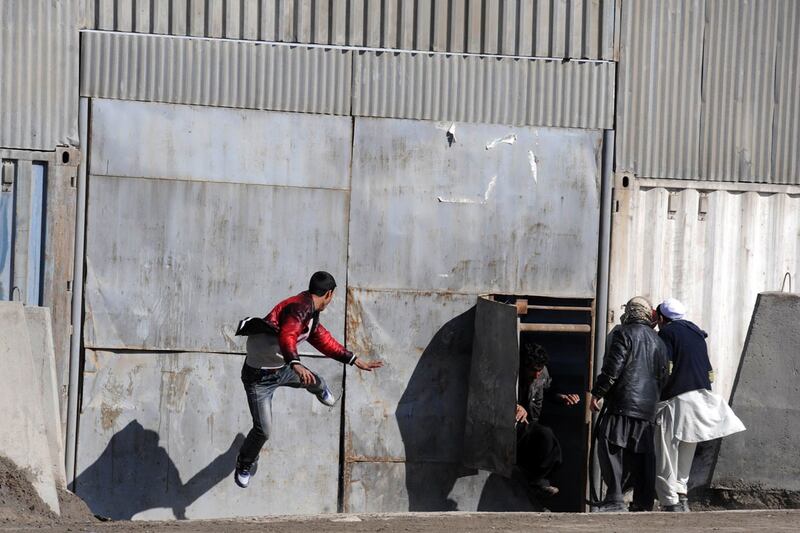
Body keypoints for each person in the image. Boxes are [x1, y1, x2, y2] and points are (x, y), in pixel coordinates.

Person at [232, 271, 383, 488]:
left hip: (282, 369)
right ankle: (244, 462)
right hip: (259, 379)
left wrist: (353, 359)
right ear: (329, 294)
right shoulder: (299, 308)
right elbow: (288, 334)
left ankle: (320, 389)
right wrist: (295, 362)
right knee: (263, 430)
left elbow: (324, 341)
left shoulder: (310, 315)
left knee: (315, 381)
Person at [654, 298, 745, 512]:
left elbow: (665, 368)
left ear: (662, 318)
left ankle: (669, 501)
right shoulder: (697, 334)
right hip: (700, 396)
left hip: (677, 399)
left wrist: (656, 392)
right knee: (687, 447)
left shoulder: (667, 333)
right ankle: (682, 495)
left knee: (667, 451)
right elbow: (709, 372)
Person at [590, 296, 669, 512]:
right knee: (643, 455)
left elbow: (612, 369)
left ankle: (615, 498)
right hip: (648, 409)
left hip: (623, 404)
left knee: (611, 448)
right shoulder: (659, 341)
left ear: (630, 312)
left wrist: (597, 393)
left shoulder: (623, 334)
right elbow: (664, 376)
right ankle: (643, 502)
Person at [515, 343, 580, 499]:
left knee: (549, 444)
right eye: (533, 370)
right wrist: (514, 406)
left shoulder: (542, 373)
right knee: (545, 434)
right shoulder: (513, 374)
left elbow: (548, 390)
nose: (537, 374)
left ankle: (536, 481)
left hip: (530, 424)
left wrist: (562, 397)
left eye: (540, 370)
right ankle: (535, 481)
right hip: (512, 426)